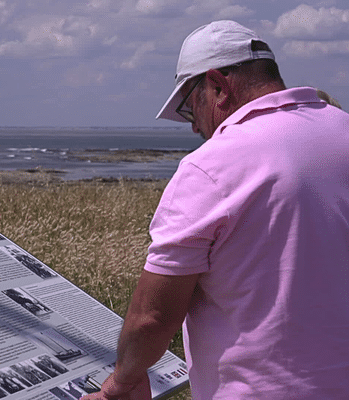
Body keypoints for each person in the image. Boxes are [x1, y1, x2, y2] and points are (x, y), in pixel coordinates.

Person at [82, 20, 349, 400]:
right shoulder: (342, 130)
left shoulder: (210, 167)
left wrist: (121, 383)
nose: (195, 129)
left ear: (218, 86)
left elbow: (152, 318)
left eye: (192, 110)